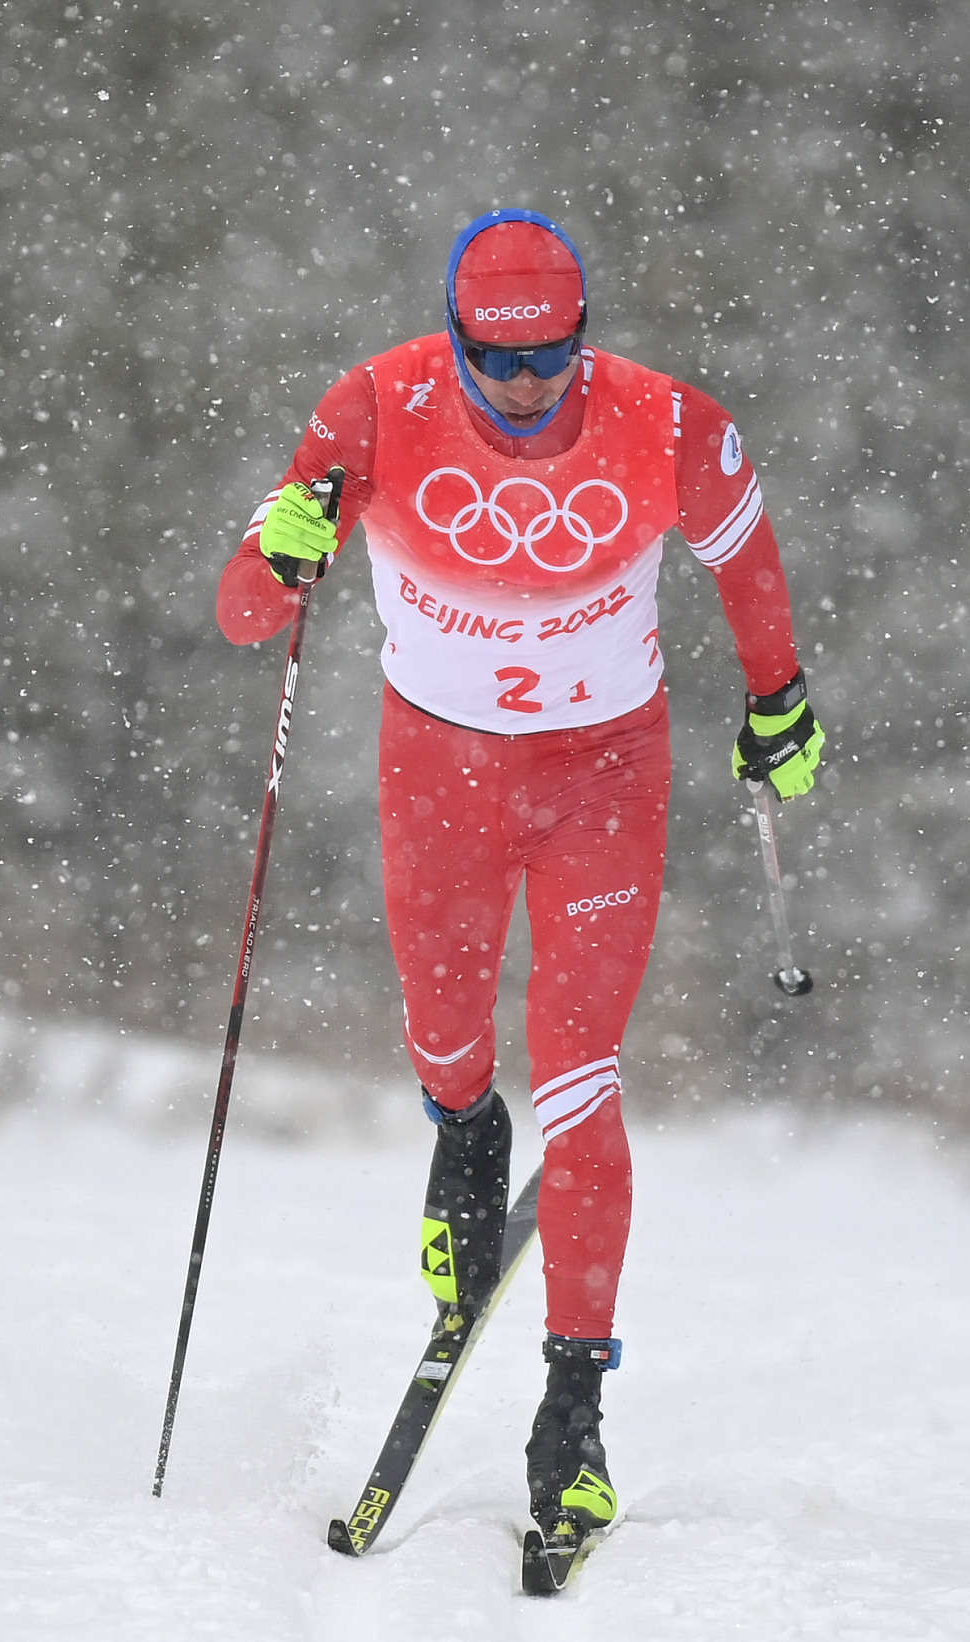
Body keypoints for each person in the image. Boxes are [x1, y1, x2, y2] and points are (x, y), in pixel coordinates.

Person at [217, 206, 823, 1547]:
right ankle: (462, 1135)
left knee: (583, 1074)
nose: (530, 386)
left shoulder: (668, 424)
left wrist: (779, 699)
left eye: (554, 356)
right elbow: (245, 611)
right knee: (445, 1039)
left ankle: (574, 1416)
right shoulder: (374, 407)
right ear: (456, 338)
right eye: (499, 362)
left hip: (605, 781)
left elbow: (751, 566)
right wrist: (282, 547)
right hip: (438, 778)